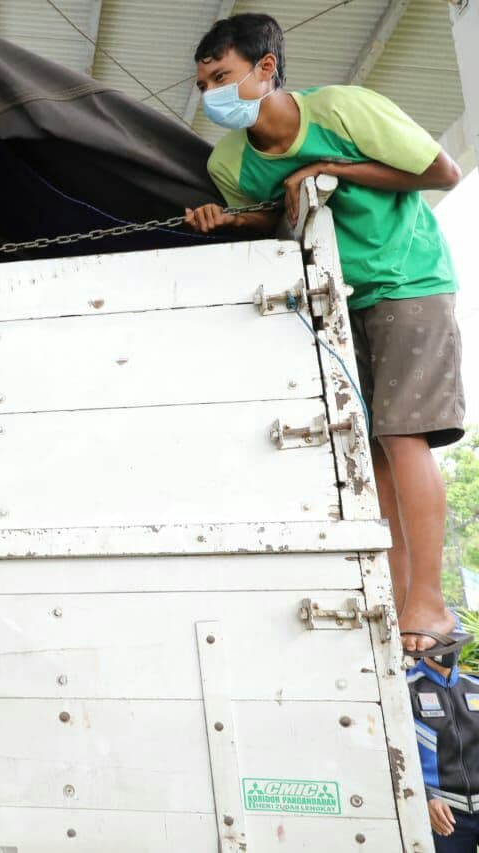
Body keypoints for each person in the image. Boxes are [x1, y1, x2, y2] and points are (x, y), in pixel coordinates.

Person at [182, 13, 466, 655]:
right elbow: (271, 222)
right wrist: (222, 219)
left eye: (221, 77)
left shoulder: (343, 109)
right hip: (334, 300)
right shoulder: (229, 160)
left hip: (407, 279)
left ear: (266, 68)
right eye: (202, 85)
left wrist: (331, 169)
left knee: (403, 434)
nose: (212, 96)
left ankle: (431, 604)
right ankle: (396, 603)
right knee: (371, 450)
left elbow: (443, 173)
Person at [408, 652, 479, 851]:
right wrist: (424, 798)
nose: (449, 648)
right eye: (443, 640)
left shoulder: (475, 685)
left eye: (454, 640)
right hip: (443, 813)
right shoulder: (403, 687)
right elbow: (392, 757)